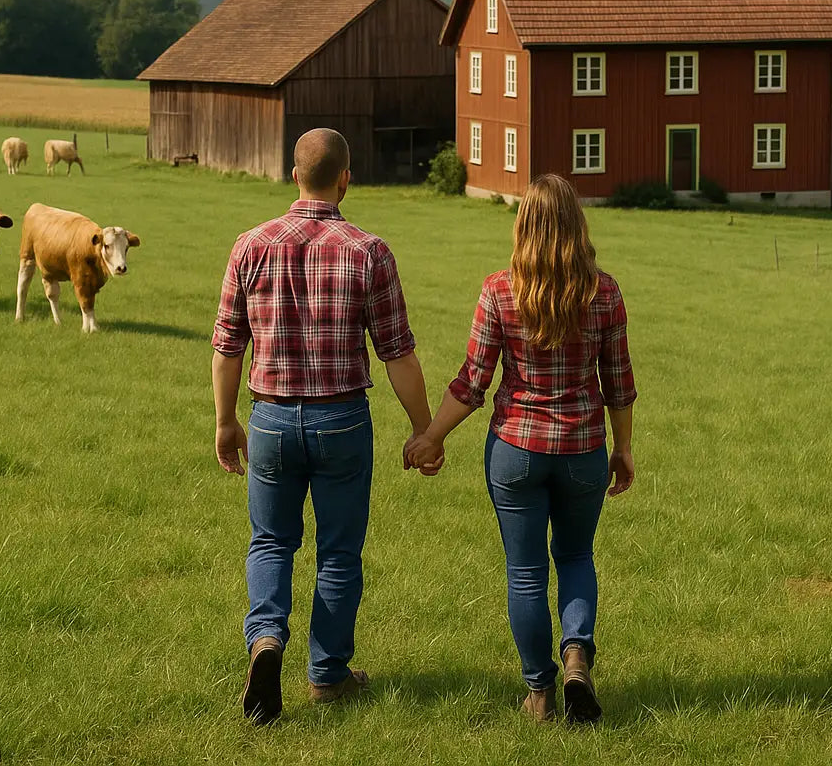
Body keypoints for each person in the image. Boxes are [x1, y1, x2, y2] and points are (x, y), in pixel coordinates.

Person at [212, 128, 437, 725]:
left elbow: (227, 349)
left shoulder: (250, 246)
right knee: (338, 553)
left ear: (294, 177)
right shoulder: (369, 251)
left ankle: (265, 642)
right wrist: (425, 430)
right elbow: (399, 354)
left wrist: (225, 422)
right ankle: (328, 675)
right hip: (342, 419)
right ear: (346, 179)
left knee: (270, 542)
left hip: (271, 418)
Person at [406, 173, 636, 724]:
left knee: (526, 572)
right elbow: (619, 383)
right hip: (582, 452)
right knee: (577, 557)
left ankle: (539, 692)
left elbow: (471, 382)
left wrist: (431, 436)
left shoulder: (499, 290)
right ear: (577, 227)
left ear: (524, 227)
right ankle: (577, 653)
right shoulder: (603, 292)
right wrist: (623, 448)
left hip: (515, 451)